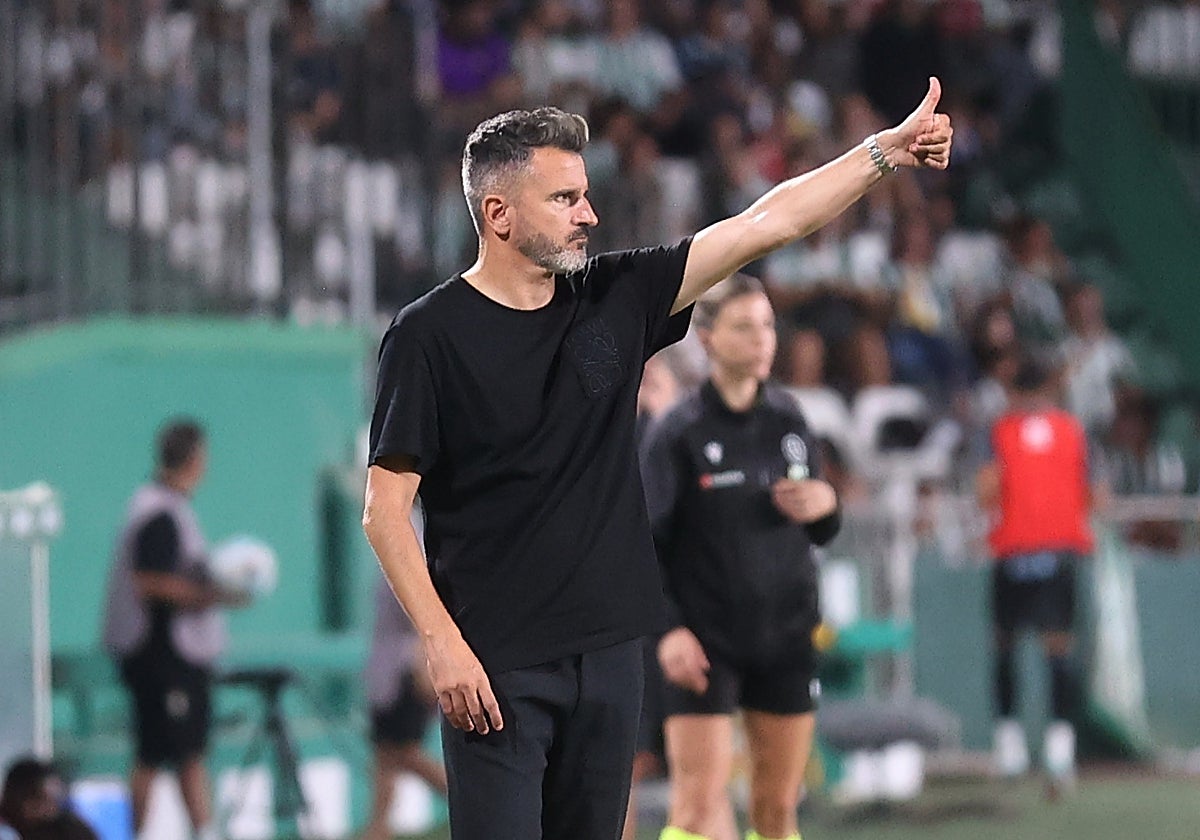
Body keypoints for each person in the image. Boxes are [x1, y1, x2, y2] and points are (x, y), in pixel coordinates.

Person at [362, 85, 951, 840]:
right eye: (565, 198)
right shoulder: (426, 336)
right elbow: (384, 509)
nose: (589, 214)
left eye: (586, 195)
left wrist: (883, 154)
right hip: (496, 664)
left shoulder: (616, 297)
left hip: (611, 657)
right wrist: (440, 644)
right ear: (499, 215)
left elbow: (763, 226)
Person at [640, 275, 840, 840]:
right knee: (699, 809)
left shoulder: (789, 420)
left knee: (777, 809)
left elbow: (822, 526)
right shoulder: (677, 432)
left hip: (785, 635)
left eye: (768, 326)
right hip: (706, 643)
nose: (762, 340)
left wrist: (826, 503)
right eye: (744, 327)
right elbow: (644, 546)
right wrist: (670, 631)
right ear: (706, 338)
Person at [101, 419, 241, 840]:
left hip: (167, 656)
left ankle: (197, 830)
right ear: (195, 460)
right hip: (162, 654)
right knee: (165, 753)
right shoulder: (159, 512)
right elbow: (150, 580)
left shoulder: (160, 507)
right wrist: (212, 596)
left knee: (180, 751)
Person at [976, 360, 1093, 796]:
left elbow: (985, 488)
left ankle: (1010, 747)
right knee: (1057, 649)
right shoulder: (1073, 432)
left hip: (1013, 550)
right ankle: (1059, 749)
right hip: (1060, 550)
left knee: (1005, 645)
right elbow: (1094, 493)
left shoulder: (999, 433)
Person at [361, 504, 447, 840]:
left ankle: (466, 800)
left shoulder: (415, 533)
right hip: (391, 665)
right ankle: (377, 829)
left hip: (406, 666)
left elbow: (419, 599)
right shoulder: (409, 528)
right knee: (387, 756)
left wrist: (426, 653)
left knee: (399, 751)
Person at [0, 757, 98, 840]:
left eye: (57, 800)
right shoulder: (7, 832)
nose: (52, 809)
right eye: (44, 800)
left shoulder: (66, 827)